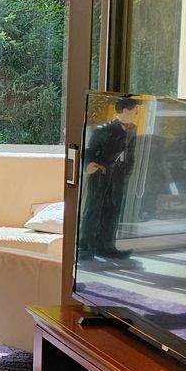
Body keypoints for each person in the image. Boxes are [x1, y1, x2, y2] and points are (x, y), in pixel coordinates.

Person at [79, 96, 141, 261]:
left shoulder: (132, 129)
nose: (136, 113)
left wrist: (127, 172)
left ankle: (106, 246)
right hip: (101, 175)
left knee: (113, 210)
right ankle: (85, 247)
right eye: (135, 110)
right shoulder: (103, 130)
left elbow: (130, 154)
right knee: (94, 209)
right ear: (126, 110)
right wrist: (89, 165)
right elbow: (90, 151)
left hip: (118, 177)